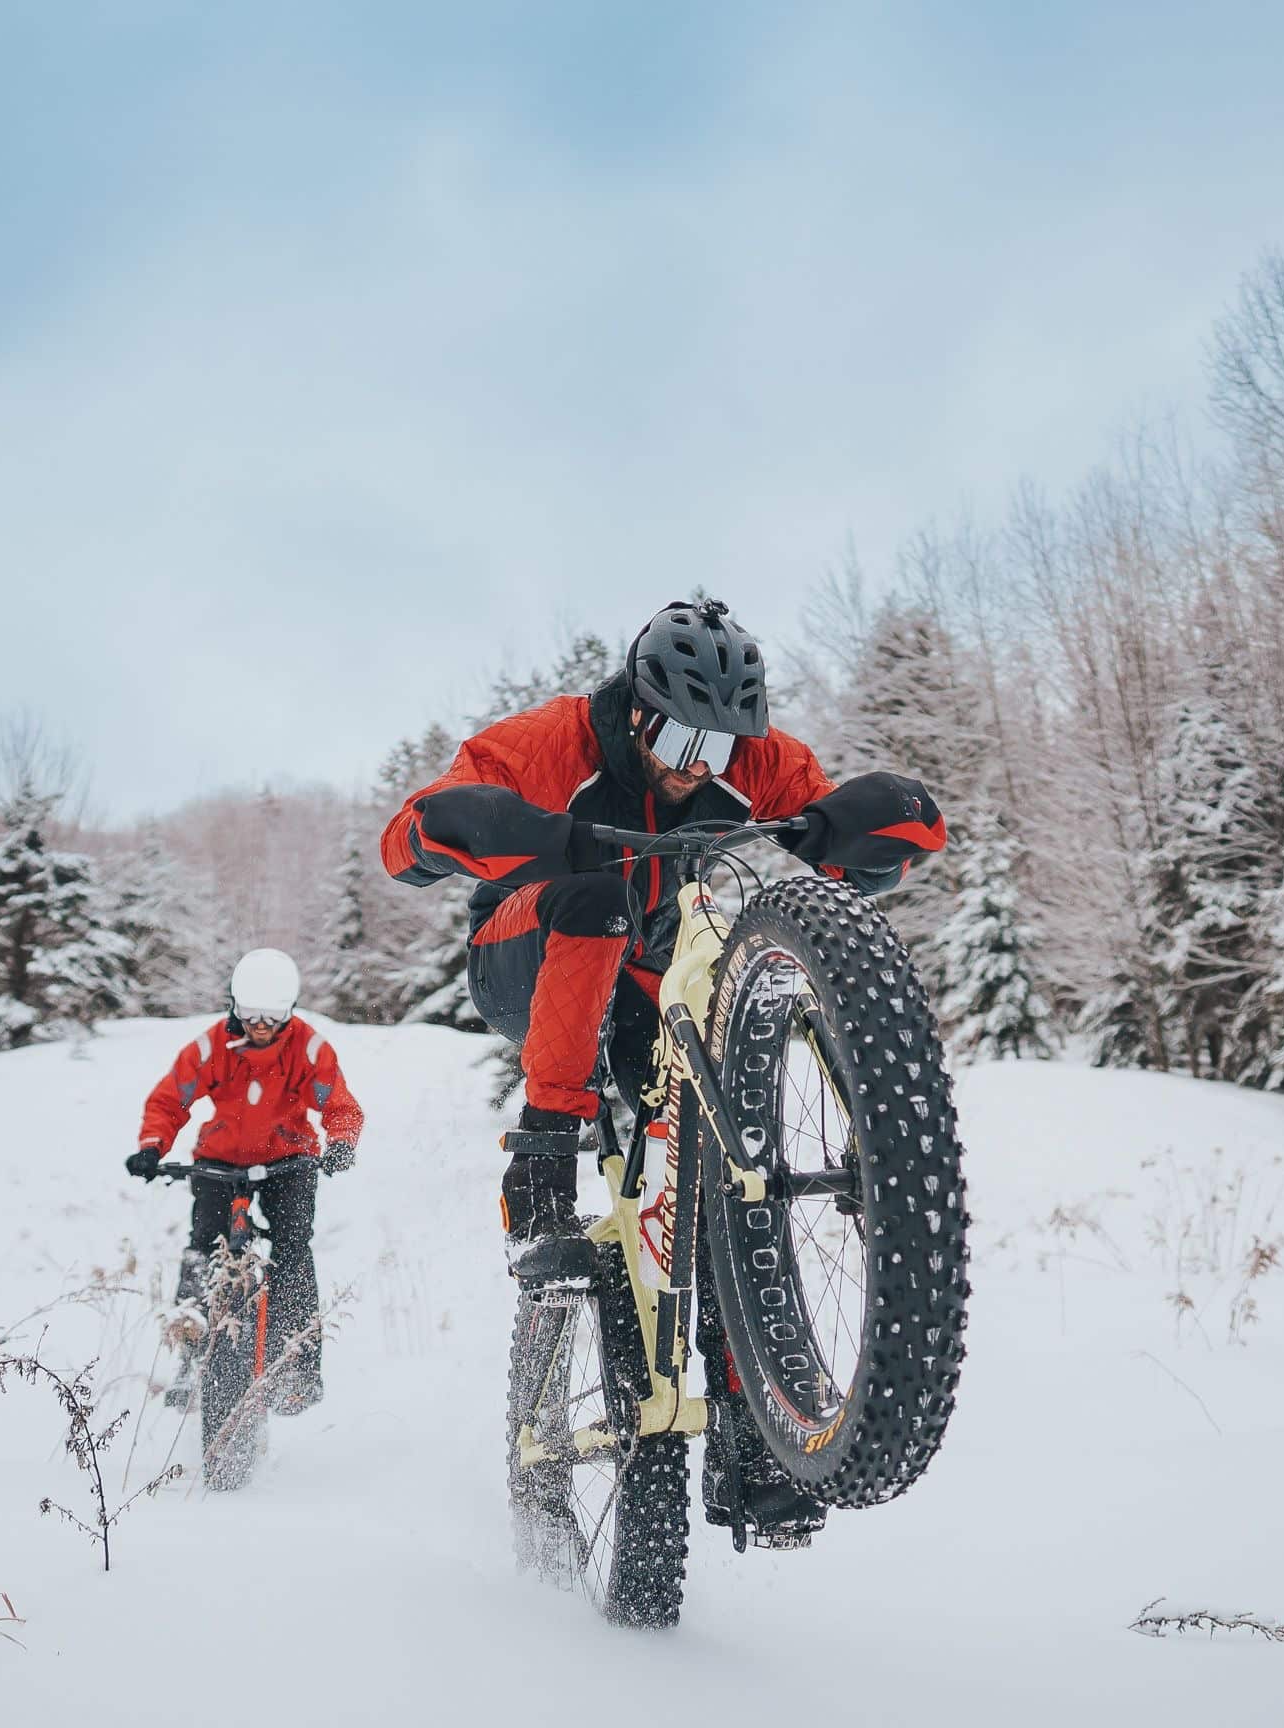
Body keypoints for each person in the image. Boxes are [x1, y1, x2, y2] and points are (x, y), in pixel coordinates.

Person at [379, 598, 945, 1539]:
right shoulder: (556, 740)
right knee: (599, 898)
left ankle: (747, 1435)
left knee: (715, 1163)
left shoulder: (745, 758)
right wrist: (490, 831)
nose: (698, 767)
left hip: (643, 978)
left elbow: (862, 826)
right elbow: (413, 833)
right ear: (637, 710)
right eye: (680, 737)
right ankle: (547, 1136)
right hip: (527, 951)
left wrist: (843, 838)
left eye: (721, 749)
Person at [125, 947, 363, 1413]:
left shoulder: (309, 1048)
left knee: (293, 1251)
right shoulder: (211, 1046)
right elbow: (171, 1099)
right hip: (219, 1162)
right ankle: (193, 1357)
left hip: (289, 1162)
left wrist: (340, 1144)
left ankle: (297, 1362)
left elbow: (341, 1106)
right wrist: (153, 1147)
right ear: (234, 1004)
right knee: (201, 1249)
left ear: (289, 1011)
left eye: (272, 1016)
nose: (260, 1025)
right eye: (250, 1013)